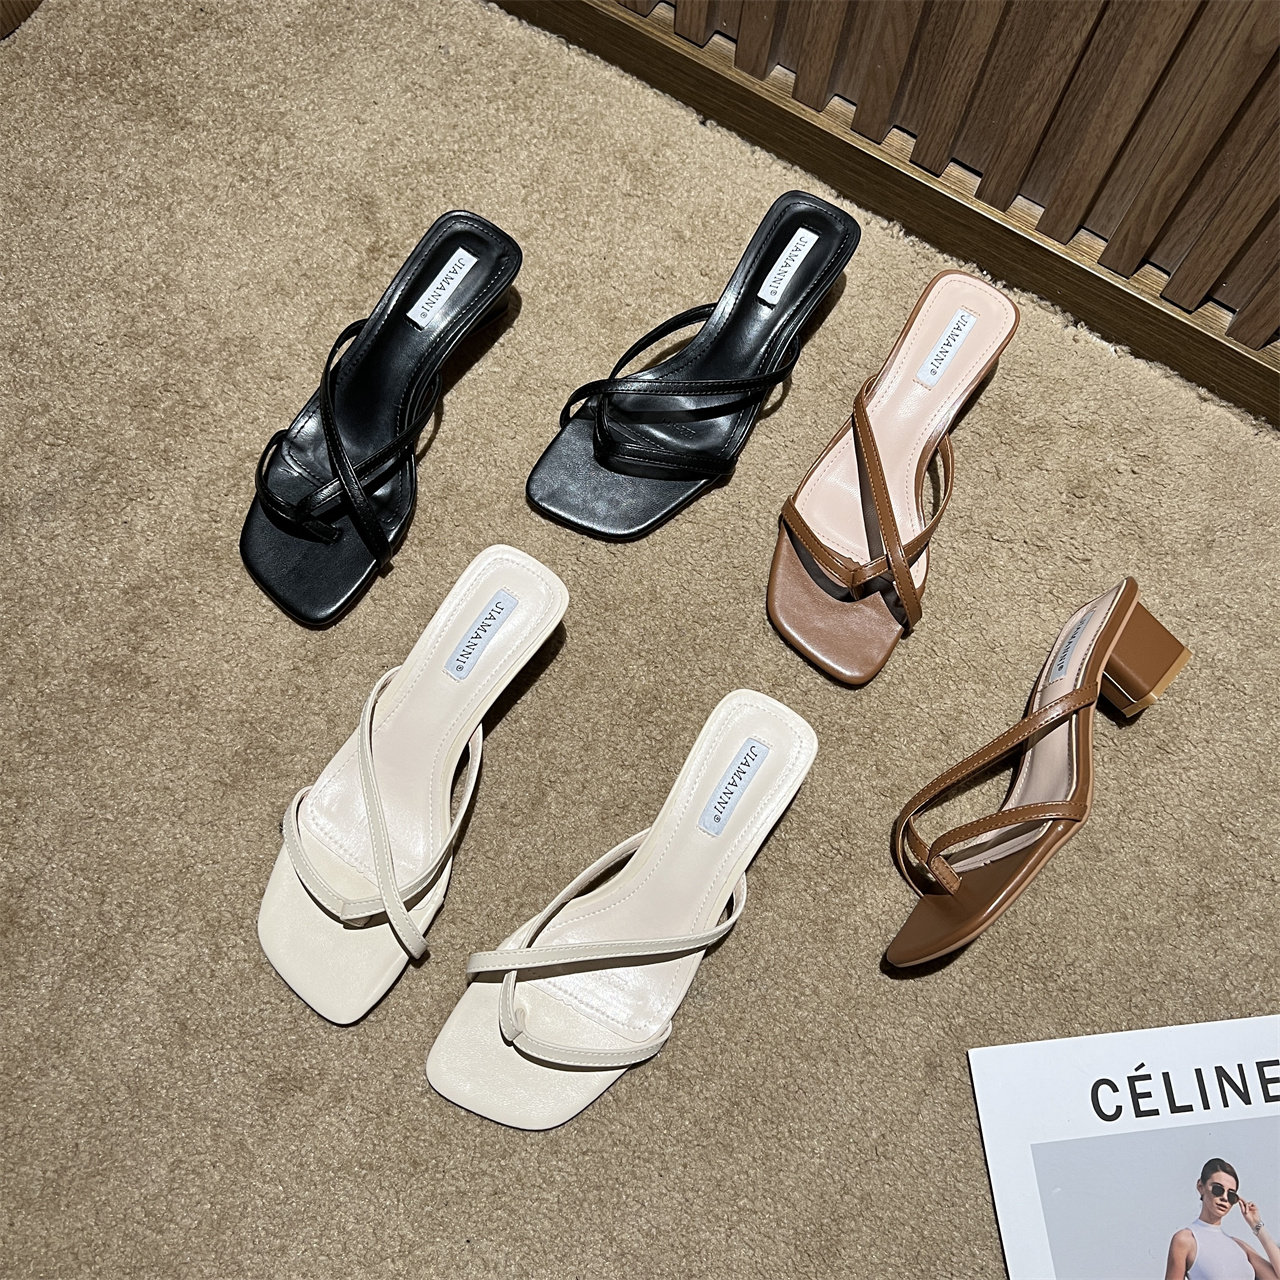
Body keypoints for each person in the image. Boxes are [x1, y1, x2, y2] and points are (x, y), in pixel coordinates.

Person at [1163, 1158, 1280, 1279]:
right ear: (1200, 1186)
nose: (1224, 1198)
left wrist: (1256, 1225)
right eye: (1218, 1189)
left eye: (1231, 1195)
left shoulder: (1240, 1247)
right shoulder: (1185, 1240)